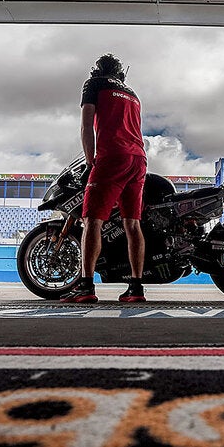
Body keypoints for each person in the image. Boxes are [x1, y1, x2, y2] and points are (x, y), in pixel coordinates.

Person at [62, 53, 147, 303]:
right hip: (138, 158)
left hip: (112, 157)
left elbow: (86, 126)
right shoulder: (132, 93)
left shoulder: (94, 85)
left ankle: (86, 286)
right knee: (132, 224)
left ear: (96, 70)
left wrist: (90, 162)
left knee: (92, 221)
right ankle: (136, 288)